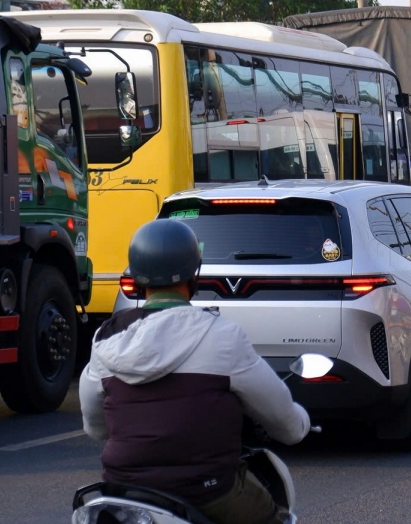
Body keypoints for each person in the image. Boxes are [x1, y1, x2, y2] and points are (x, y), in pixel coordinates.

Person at [80, 219, 311, 524]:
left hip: (124, 495)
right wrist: (301, 424)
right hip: (208, 493)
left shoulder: (106, 339)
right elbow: (287, 425)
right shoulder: (223, 337)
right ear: (194, 275)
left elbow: (95, 428)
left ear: (137, 278)